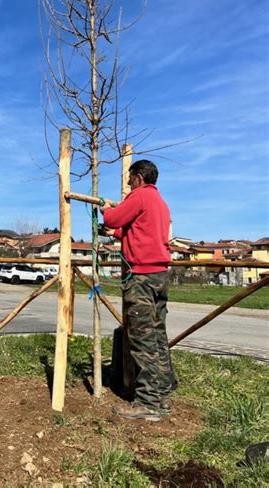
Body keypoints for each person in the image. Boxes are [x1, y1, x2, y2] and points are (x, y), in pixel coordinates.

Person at [100, 159, 173, 422]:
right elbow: (140, 231)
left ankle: (147, 403)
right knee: (156, 336)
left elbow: (113, 216)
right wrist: (119, 233)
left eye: (130, 179)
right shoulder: (160, 203)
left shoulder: (139, 196)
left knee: (141, 339)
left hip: (141, 277)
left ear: (139, 177)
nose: (128, 183)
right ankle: (162, 396)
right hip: (159, 275)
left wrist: (107, 208)